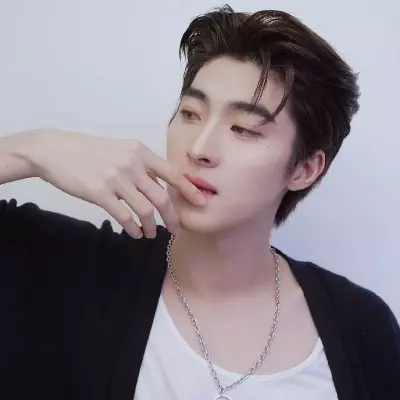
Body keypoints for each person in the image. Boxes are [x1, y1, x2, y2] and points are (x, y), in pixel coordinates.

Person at [0, 5, 399, 400]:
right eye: (190, 114)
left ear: (305, 169)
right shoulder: (75, 269)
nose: (200, 148)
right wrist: (34, 150)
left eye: (243, 129)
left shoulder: (361, 328)